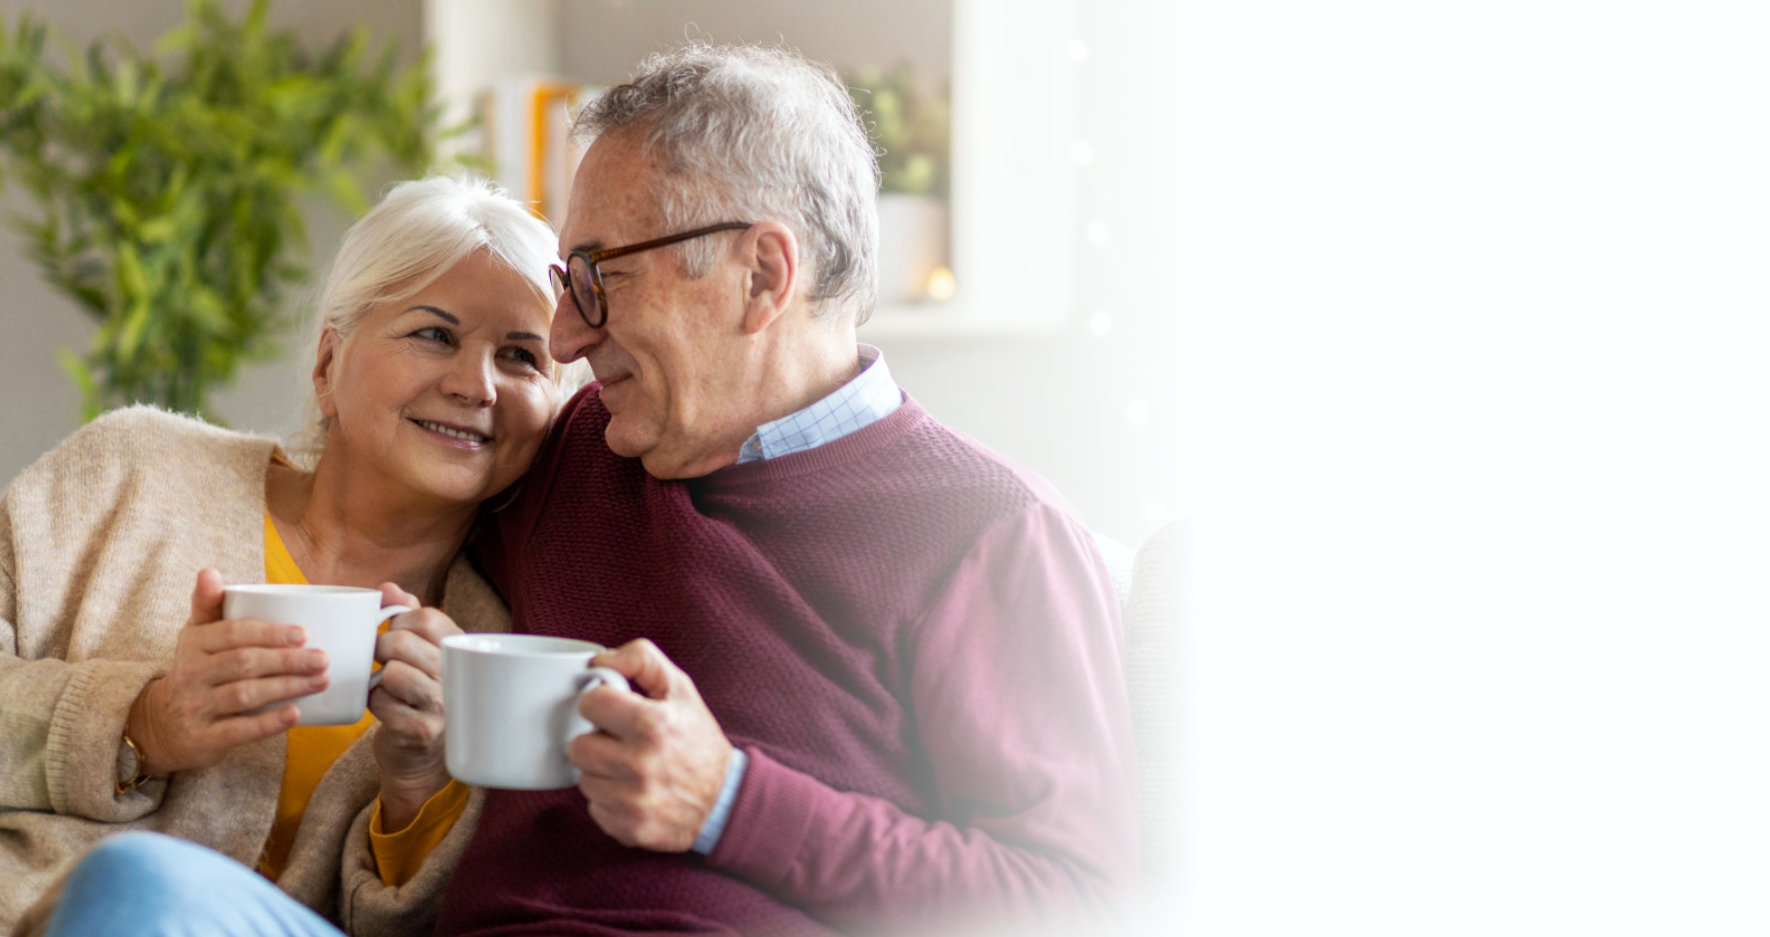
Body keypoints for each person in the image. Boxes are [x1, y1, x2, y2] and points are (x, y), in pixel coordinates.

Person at [33, 41, 1137, 937]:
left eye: (600, 280)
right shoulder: (572, 449)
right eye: (569, 286)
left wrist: (733, 804)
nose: (562, 339)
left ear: (762, 274)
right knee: (144, 892)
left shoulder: (991, 535)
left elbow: (1074, 902)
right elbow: (383, 443)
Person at [1, 175, 565, 936]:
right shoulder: (129, 473)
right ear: (328, 364)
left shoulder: (500, 642)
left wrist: (418, 783)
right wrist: (142, 723)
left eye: (523, 356)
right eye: (435, 334)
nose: (477, 384)